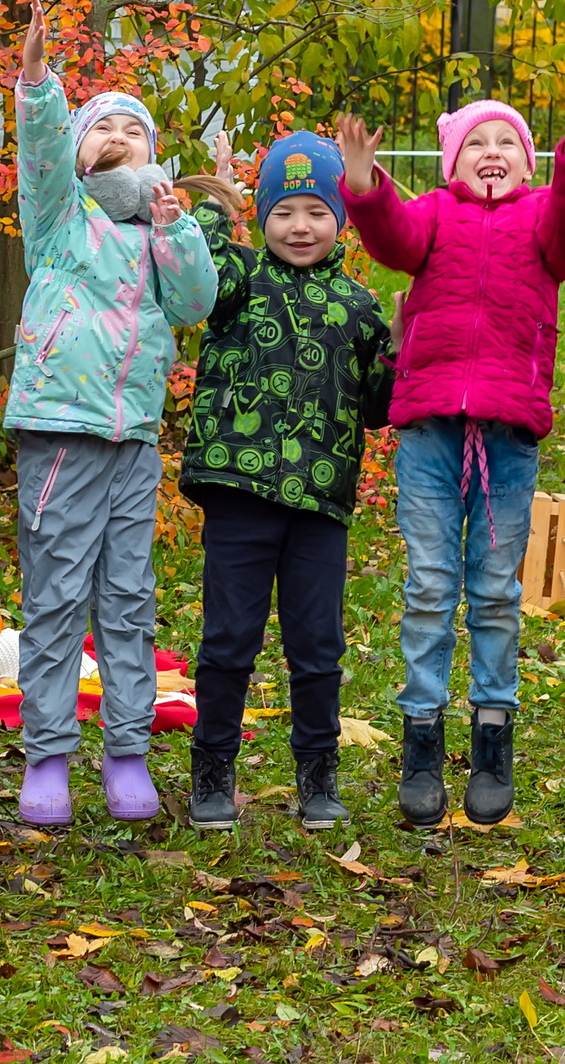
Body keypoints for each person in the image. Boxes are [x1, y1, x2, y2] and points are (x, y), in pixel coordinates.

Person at [337, 75, 565, 827]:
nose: (492, 152)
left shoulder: (543, 221)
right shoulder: (433, 214)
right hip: (430, 433)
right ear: (450, 163)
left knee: (495, 593)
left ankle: (493, 736)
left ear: (529, 163)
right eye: (476, 144)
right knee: (430, 588)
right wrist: (364, 184)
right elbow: (392, 237)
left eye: (506, 143)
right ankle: (422, 741)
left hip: (507, 438)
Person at [6, 8, 218, 827]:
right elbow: (41, 152)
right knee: (57, 595)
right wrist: (38, 84)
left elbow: (194, 303)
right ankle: (48, 756)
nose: (121, 137)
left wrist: (177, 227)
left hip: (133, 440)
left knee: (128, 597)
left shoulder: (161, 230)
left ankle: (127, 751)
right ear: (81, 147)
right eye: (105, 127)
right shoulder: (61, 217)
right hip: (62, 432)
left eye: (137, 129)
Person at [178, 132, 395, 834]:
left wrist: (402, 344)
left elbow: (380, 406)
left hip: (319, 505)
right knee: (228, 638)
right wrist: (219, 203)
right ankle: (213, 769)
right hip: (238, 493)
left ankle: (318, 774)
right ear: (263, 216)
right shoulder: (239, 280)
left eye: (317, 212)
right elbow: (200, 275)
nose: (300, 227)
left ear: (341, 219)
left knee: (318, 646)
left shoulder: (360, 307)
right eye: (283, 212)